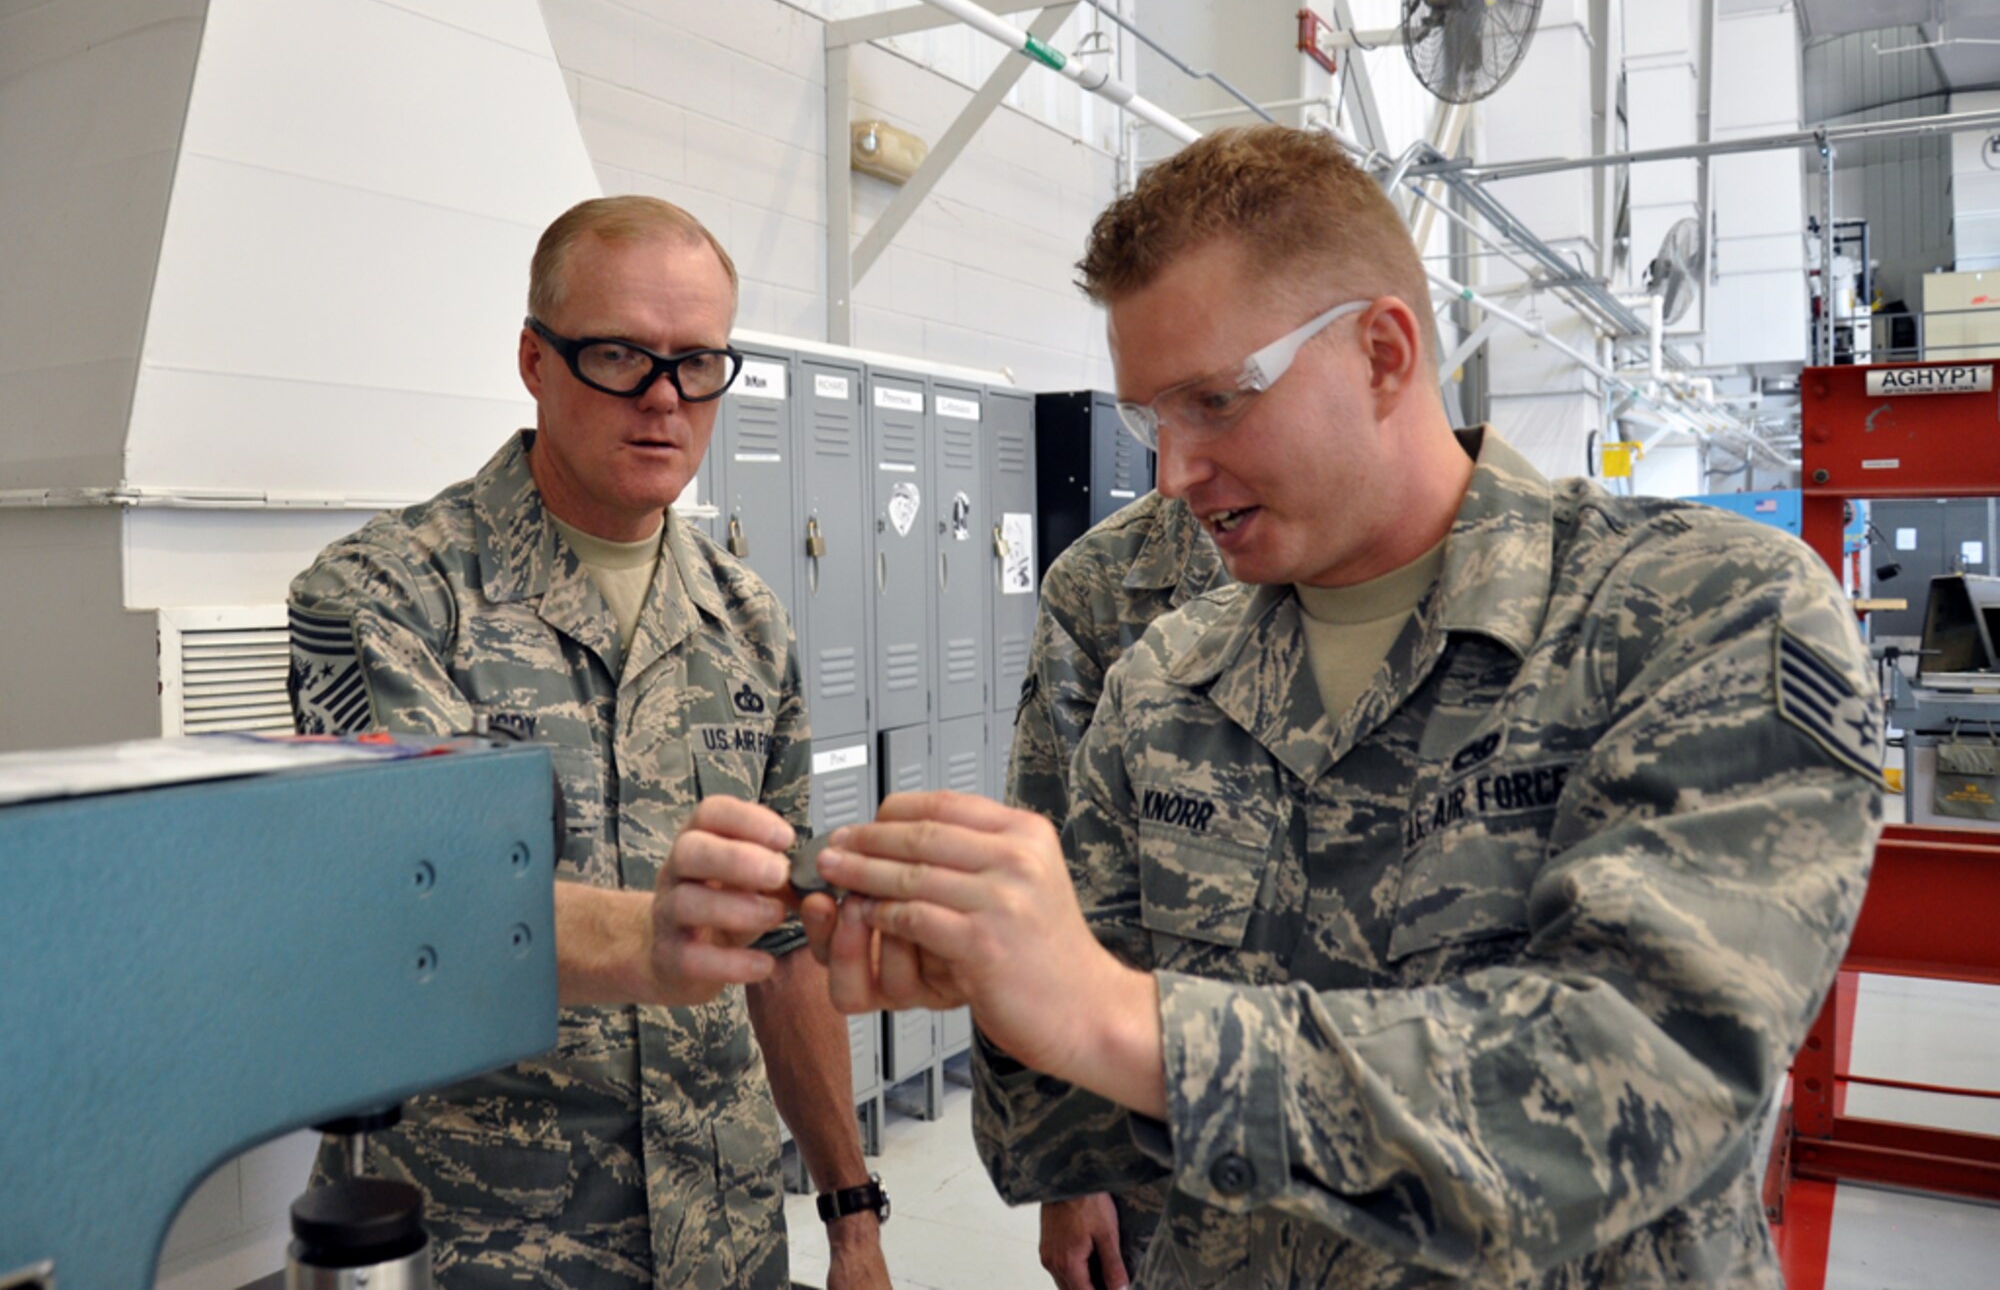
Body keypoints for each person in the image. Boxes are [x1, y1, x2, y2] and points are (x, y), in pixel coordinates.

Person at [805, 125, 1884, 1285]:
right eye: (1147, 419)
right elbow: (1068, 1130)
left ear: (1381, 352)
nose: (1171, 473)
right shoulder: (1165, 681)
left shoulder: (1701, 611)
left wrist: (1111, 1018)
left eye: (1216, 400)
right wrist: (982, 968)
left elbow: (1629, 1081)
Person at [289, 196, 889, 1289]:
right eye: (618, 354)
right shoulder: (383, 596)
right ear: (533, 357)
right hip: (487, 1240)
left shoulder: (747, 621)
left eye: (697, 362)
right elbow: (407, 894)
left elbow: (784, 950)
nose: (663, 400)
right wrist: (652, 938)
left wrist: (850, 1211)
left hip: (724, 1234)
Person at [1003, 489, 1224, 1290]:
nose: (1185, 455)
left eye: (1221, 399)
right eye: (1155, 413)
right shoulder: (1103, 581)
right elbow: (1044, 881)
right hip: (1156, 1167)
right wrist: (1067, 1167)